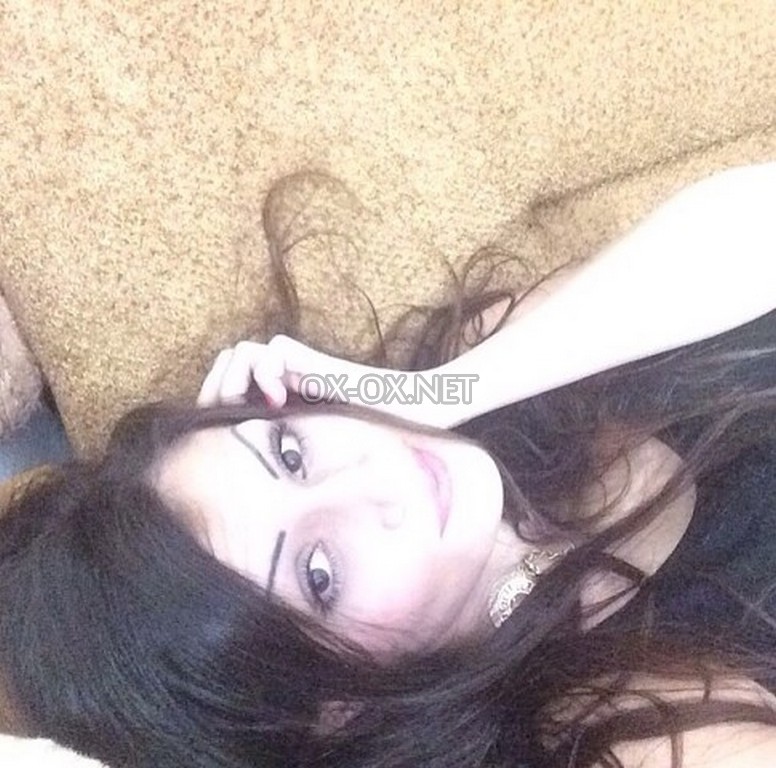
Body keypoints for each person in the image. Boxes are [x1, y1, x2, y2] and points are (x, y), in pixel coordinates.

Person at [0, 163, 775, 768]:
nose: (371, 478)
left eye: (290, 453)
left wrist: (439, 390)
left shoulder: (493, 373)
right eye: (320, 574)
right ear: (338, 709)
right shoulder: (606, 724)